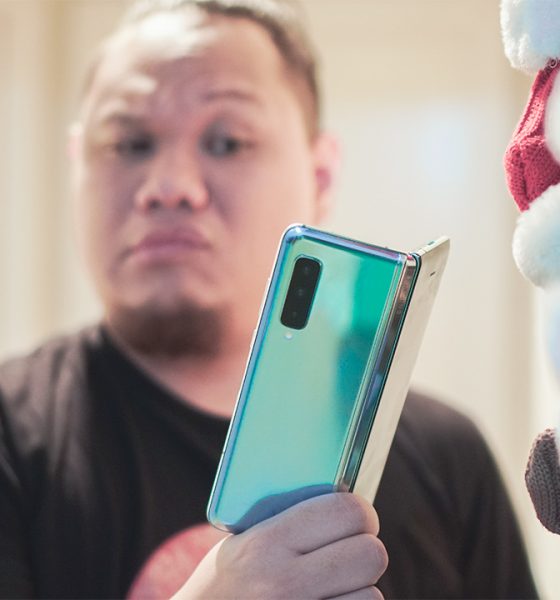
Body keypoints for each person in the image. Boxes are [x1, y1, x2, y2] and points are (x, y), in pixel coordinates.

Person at [0, 0, 537, 598]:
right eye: (129, 143)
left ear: (320, 175)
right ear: (77, 166)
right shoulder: (14, 439)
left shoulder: (448, 457)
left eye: (227, 142)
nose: (169, 187)